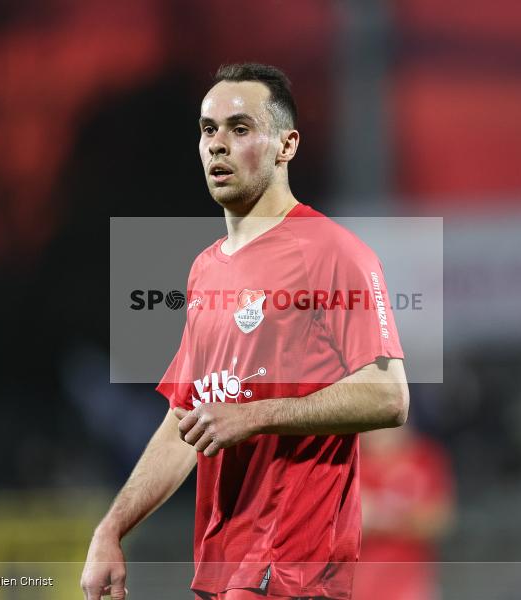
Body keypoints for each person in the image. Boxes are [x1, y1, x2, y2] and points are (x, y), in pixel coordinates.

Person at [81, 63, 409, 600]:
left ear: (286, 146)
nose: (217, 146)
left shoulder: (334, 253)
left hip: (292, 569)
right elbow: (185, 421)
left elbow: (389, 395)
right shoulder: (206, 269)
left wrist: (255, 415)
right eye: (208, 130)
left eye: (239, 129)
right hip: (223, 568)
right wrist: (111, 529)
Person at [353, 427, 455, 600]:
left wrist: (381, 516)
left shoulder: (425, 456)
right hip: (362, 586)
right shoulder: (351, 463)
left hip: (412, 584)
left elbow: (440, 520)